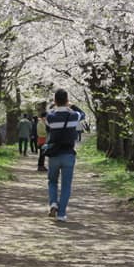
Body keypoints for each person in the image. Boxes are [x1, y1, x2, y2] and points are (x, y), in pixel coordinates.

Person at [44, 88, 85, 222]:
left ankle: (53, 203)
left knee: (52, 181)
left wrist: (53, 106)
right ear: (67, 100)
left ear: (55, 101)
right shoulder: (73, 116)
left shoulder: (51, 117)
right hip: (68, 154)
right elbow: (82, 114)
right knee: (66, 185)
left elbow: (46, 116)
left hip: (54, 154)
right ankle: (61, 214)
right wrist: (71, 106)